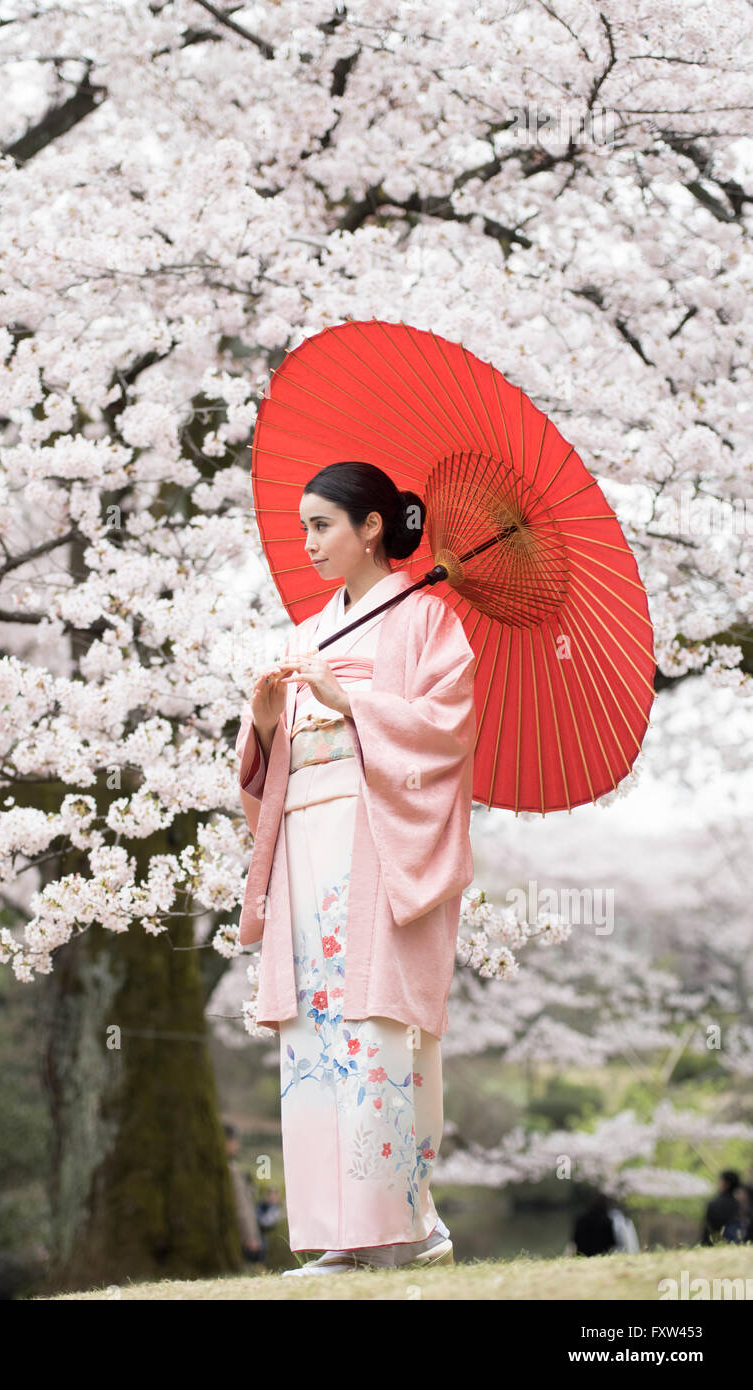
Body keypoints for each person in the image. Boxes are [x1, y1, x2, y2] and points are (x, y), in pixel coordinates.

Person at [234, 461, 475, 1276]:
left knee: (377, 1028)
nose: (307, 542)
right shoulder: (304, 634)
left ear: (371, 527)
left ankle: (408, 1227)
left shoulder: (429, 625)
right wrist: (266, 726)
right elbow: (271, 767)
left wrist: (353, 705)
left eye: (321, 525)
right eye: (302, 526)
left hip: (379, 840)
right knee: (313, 1032)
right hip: (305, 841)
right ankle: (340, 1234)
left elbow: (444, 736)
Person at [224, 1123, 266, 1266]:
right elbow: (242, 1206)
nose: (237, 1146)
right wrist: (251, 1236)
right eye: (235, 1141)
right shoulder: (232, 1171)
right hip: (238, 1236)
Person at [700, 1170, 746, 1245]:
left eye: (720, 1181)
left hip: (716, 1242)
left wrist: (705, 1243)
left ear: (726, 1184)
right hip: (737, 1242)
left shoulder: (714, 1204)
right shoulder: (741, 1204)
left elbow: (708, 1228)